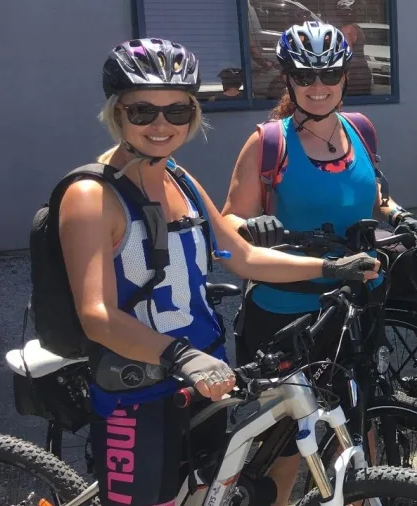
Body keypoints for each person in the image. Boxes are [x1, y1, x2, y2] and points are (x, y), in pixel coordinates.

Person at [61, 38, 379, 506]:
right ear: (116, 112)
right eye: (142, 111)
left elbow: (242, 257)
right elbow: (97, 315)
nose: (161, 125)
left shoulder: (179, 179)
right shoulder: (92, 195)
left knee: (207, 496)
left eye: (177, 111)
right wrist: (181, 357)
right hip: (141, 391)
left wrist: (332, 267)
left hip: (207, 379)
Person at [220, 21, 417, 506]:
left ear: (344, 77)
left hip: (355, 307)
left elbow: (371, 194)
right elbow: (228, 223)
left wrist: (397, 214)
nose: (318, 87)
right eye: (306, 76)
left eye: (329, 75)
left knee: (356, 429)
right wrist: (254, 227)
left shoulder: (361, 130)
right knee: (287, 443)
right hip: (286, 312)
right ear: (288, 79)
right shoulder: (269, 143)